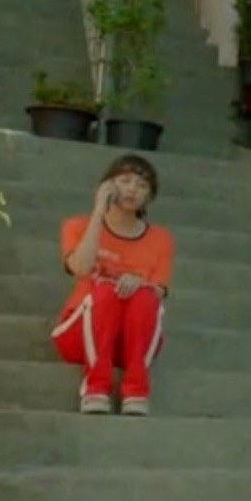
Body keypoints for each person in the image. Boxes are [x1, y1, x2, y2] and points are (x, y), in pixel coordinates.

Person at [51, 155, 173, 416]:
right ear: (107, 186)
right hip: (80, 334)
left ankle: (136, 391)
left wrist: (140, 283)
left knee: (144, 296)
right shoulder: (77, 226)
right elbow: (81, 268)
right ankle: (96, 387)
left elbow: (160, 290)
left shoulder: (160, 239)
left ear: (149, 196)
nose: (132, 189)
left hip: (131, 342)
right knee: (105, 290)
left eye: (141, 185)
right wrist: (98, 212)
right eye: (124, 181)